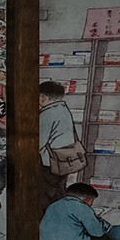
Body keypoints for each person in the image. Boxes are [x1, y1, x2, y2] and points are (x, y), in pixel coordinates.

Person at [37, 81, 79, 213]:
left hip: (50, 163)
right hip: (64, 162)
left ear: (43, 97)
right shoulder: (63, 109)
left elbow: (39, 143)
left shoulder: (47, 113)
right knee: (58, 195)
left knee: (45, 198)